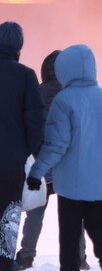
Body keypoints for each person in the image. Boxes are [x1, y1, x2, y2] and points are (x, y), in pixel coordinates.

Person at [26, 45, 102, 271]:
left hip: (68, 177)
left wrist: (37, 171)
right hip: (101, 180)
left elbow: (57, 144)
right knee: (101, 229)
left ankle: (27, 256)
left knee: (66, 231)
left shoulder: (60, 99)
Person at [17, 51, 89, 270]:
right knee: (74, 215)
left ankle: (26, 255)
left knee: (35, 212)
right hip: (69, 165)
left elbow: (26, 128)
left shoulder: (35, 93)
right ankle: (80, 257)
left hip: (42, 164)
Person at [0, 21, 44, 271]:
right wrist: (30, 152)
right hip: (11, 164)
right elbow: (35, 121)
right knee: (8, 219)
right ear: (19, 46)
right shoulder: (26, 75)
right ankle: (5, 263)